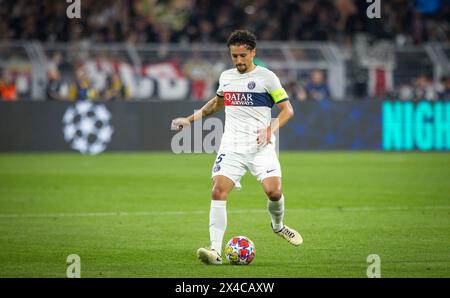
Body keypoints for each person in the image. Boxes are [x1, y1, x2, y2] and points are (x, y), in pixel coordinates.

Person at [171, 30, 302, 265]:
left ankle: (278, 226)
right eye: (234, 56)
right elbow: (215, 104)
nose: (239, 61)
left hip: (261, 146)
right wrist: (189, 120)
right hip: (231, 146)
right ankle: (215, 251)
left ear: (253, 52)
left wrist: (270, 129)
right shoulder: (227, 77)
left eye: (243, 55)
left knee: (274, 193)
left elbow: (287, 110)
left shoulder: (267, 78)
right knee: (218, 189)